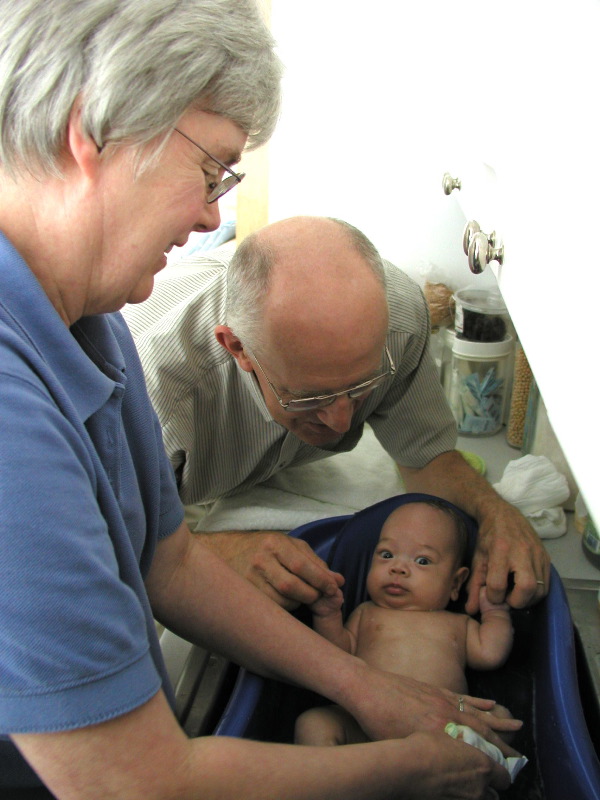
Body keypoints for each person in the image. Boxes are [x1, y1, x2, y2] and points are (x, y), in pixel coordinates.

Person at [0, 2, 518, 798]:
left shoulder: (86, 318)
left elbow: (166, 558)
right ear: (93, 131)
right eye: (210, 170)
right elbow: (136, 784)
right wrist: (423, 760)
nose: (213, 214)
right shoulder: (22, 417)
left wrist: (363, 686)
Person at [124, 215, 551, 613]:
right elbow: (99, 553)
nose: (343, 424)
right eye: (310, 398)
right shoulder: (147, 396)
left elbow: (425, 457)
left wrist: (495, 512)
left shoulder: (396, 319)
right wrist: (214, 551)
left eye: (361, 387)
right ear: (239, 350)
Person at [294, 499, 516, 747]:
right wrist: (327, 615)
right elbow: (336, 656)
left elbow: (490, 653)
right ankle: (343, 778)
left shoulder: (458, 625)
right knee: (313, 724)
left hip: (442, 728)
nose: (398, 568)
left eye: (422, 561)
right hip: (365, 725)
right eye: (386, 555)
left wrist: (495, 611)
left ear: (455, 583)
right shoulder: (366, 613)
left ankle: (424, 777)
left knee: (501, 720)